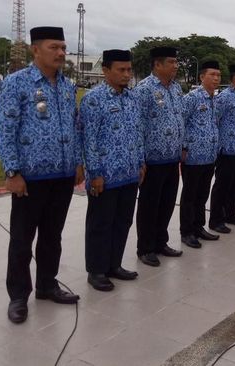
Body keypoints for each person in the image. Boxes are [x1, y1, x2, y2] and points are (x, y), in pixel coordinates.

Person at [0, 26, 82, 324]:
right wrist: (12, 171)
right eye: (53, 47)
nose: (60, 53)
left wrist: (78, 163)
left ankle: (47, 284)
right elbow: (5, 130)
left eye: (63, 47)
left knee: (52, 236)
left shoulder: (67, 86)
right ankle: (18, 296)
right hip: (29, 177)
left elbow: (74, 126)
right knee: (21, 238)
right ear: (35, 50)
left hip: (62, 174)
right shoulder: (17, 83)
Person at [80, 49, 145, 291]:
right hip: (104, 176)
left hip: (129, 173)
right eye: (121, 70)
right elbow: (89, 139)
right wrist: (94, 173)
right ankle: (96, 270)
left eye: (129, 70)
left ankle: (114, 264)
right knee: (100, 224)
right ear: (106, 71)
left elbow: (138, 133)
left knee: (122, 222)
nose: (127, 74)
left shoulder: (132, 98)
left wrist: (140, 162)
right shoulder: (93, 99)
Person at [133, 46, 184, 267]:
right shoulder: (144, 89)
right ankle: (145, 247)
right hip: (152, 159)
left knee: (167, 203)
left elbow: (179, 118)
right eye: (171, 62)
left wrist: (182, 147)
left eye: (176, 62)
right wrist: (140, 159)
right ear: (157, 64)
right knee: (149, 205)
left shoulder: (176, 88)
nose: (175, 66)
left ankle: (160, 241)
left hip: (172, 158)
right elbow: (137, 126)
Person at [179, 60, 221, 248]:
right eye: (212, 74)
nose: (216, 78)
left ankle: (199, 226)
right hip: (193, 156)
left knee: (202, 194)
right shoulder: (192, 98)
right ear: (202, 76)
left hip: (210, 155)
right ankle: (186, 231)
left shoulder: (215, 100)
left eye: (218, 75)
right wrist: (184, 147)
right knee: (189, 195)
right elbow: (181, 122)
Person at [209, 64, 235, 234]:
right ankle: (216, 219)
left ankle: (231, 214)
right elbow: (215, 120)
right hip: (227, 149)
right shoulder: (224, 97)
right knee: (223, 185)